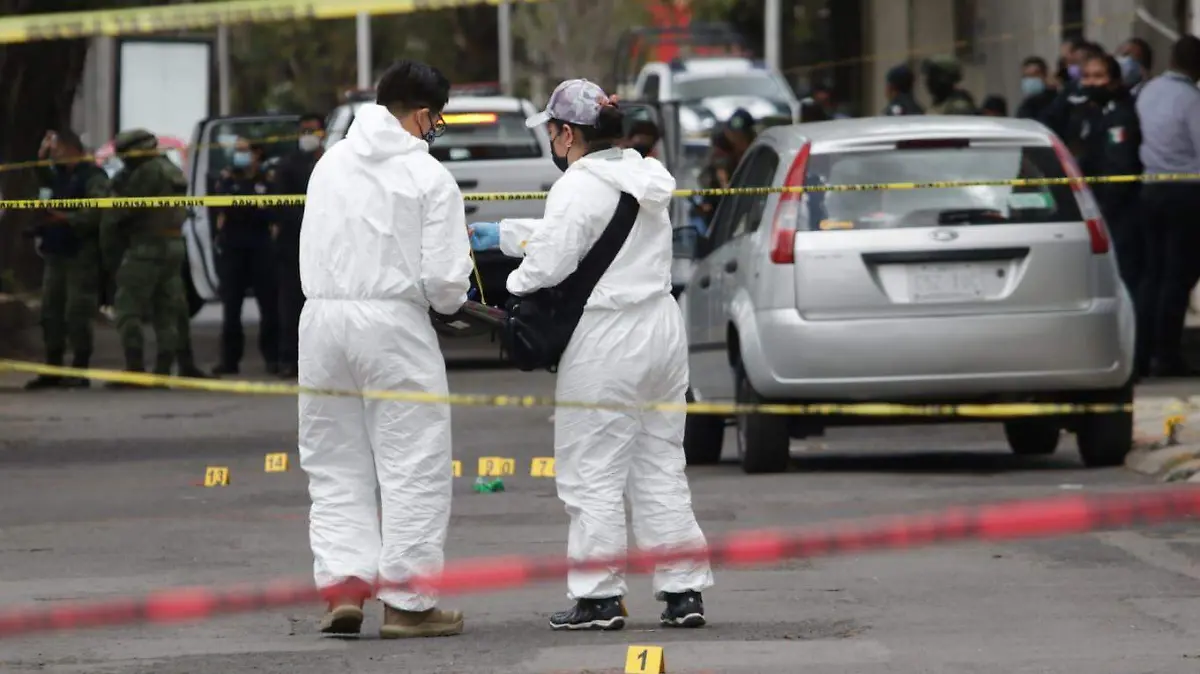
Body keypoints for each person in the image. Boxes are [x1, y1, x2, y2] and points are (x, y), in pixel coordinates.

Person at [467, 78, 714, 631]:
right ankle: (683, 591)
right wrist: (504, 233)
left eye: (552, 132)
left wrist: (514, 288)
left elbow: (553, 259)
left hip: (607, 339)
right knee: (660, 463)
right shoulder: (642, 175)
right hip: (658, 327)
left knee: (591, 471)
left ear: (566, 133)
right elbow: (579, 233)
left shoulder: (578, 185)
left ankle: (599, 597)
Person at [297, 59, 472, 639]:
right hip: (392, 326)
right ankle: (408, 602)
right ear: (422, 114)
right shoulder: (429, 178)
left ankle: (344, 589)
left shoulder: (329, 165)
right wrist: (456, 308)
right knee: (411, 462)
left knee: (333, 462)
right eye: (436, 121)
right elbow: (446, 285)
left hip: (321, 322)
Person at [1132, 35, 1200, 378]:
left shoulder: (1147, 91)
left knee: (1152, 275)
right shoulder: (1191, 100)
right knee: (1177, 276)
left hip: (1150, 191)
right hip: (1185, 195)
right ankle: (1167, 354)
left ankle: (1142, 352)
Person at [99, 129, 189, 385]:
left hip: (146, 247)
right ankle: (162, 371)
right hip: (172, 244)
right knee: (165, 310)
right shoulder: (170, 167)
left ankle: (135, 368)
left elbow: (123, 209)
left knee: (127, 309)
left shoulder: (147, 172)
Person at [24, 130, 109, 390]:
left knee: (77, 312)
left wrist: (66, 219)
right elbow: (43, 178)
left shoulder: (92, 176)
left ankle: (79, 368)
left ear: (71, 148)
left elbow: (97, 210)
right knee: (51, 311)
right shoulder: (59, 175)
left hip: (80, 253)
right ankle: (52, 368)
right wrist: (40, 157)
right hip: (56, 252)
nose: (53, 153)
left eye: (56, 148)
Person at [211, 138, 279, 376]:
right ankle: (229, 360)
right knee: (231, 307)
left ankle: (273, 358)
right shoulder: (226, 179)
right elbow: (220, 210)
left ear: (256, 154)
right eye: (236, 151)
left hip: (260, 247)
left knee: (269, 306)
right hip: (233, 248)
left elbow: (272, 214)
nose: (238, 155)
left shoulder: (267, 180)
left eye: (243, 151)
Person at [1076, 53, 1142, 295]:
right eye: (1086, 77)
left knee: (1124, 280)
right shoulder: (1090, 113)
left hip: (1119, 213)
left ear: (1114, 82)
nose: (1091, 83)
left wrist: (1103, 207)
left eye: (1098, 76)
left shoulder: (1121, 115)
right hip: (1098, 209)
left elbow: (1119, 169)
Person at [272, 113, 325, 379]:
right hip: (293, 246)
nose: (307, 136)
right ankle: (289, 359)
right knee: (291, 307)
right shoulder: (288, 165)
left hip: (328, 247)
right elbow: (281, 204)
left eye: (312, 131)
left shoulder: (333, 161)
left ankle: (322, 362)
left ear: (322, 133)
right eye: (303, 131)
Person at [1042, 41, 1105, 139]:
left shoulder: (1103, 88)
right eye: (1069, 62)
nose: (1071, 67)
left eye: (1076, 62)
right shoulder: (1069, 88)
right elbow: (1052, 115)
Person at [1015, 56, 1058, 121]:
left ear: (1045, 75)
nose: (1030, 80)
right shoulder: (1026, 105)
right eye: (1026, 76)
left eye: (1034, 75)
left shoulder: (1056, 100)